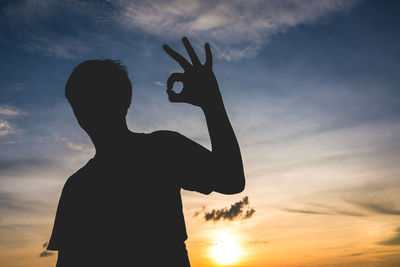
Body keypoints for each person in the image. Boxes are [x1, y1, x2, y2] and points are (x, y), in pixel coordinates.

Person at [47, 37, 245, 266]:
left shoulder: (79, 186)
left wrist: (212, 102)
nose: (84, 111)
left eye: (85, 103)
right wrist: (211, 101)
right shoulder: (163, 149)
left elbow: (232, 180)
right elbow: (231, 179)